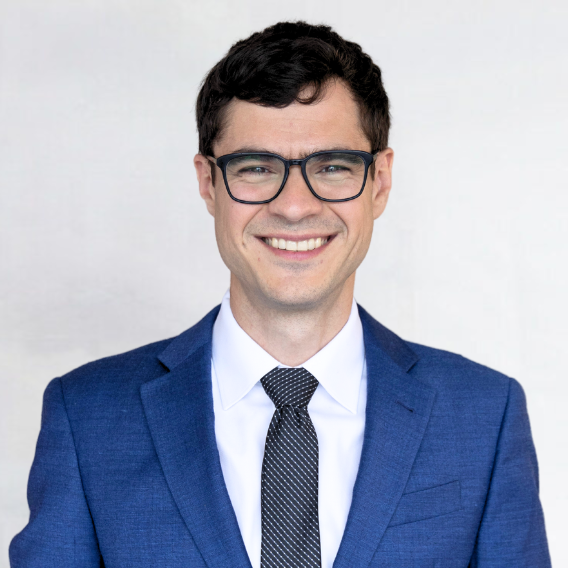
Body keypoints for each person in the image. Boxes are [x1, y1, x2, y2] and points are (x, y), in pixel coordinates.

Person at [10, 21, 551, 568]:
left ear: (380, 181)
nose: (294, 206)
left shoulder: (485, 417)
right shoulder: (87, 417)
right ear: (208, 183)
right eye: (256, 168)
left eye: (333, 167)